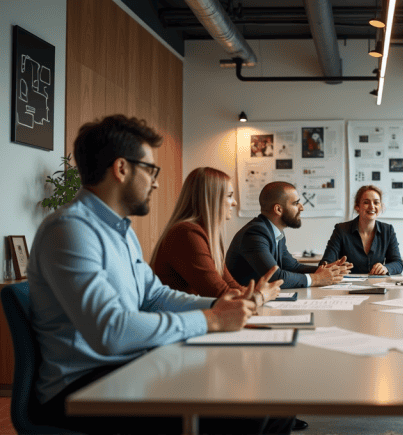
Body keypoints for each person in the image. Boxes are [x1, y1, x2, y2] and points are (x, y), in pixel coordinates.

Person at [26, 115, 293, 434]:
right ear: (122, 168)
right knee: (244, 411)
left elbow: (154, 296)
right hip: (83, 387)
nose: (155, 182)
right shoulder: (70, 230)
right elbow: (110, 331)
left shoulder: (120, 231)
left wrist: (218, 304)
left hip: (128, 366)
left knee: (274, 397)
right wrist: (213, 320)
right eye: (151, 170)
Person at [151, 167, 281, 304]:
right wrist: (260, 295)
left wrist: (257, 292)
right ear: (210, 199)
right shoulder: (186, 233)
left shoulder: (206, 235)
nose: (235, 202)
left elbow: (231, 287)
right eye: (230, 196)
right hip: (179, 320)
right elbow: (220, 296)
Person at [227, 181, 349, 288]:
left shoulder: (275, 232)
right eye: (296, 203)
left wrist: (326, 270)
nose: (302, 208)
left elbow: (292, 267)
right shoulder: (255, 234)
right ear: (278, 209)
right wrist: (317, 278)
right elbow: (274, 276)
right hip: (244, 304)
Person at [320, 185, 403, 275]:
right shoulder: (341, 230)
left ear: (380, 206)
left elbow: (398, 263)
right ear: (357, 207)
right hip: (347, 286)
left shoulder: (388, 230)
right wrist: (333, 267)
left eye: (376, 203)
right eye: (366, 202)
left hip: (377, 286)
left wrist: (386, 268)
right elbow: (325, 263)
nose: (372, 206)